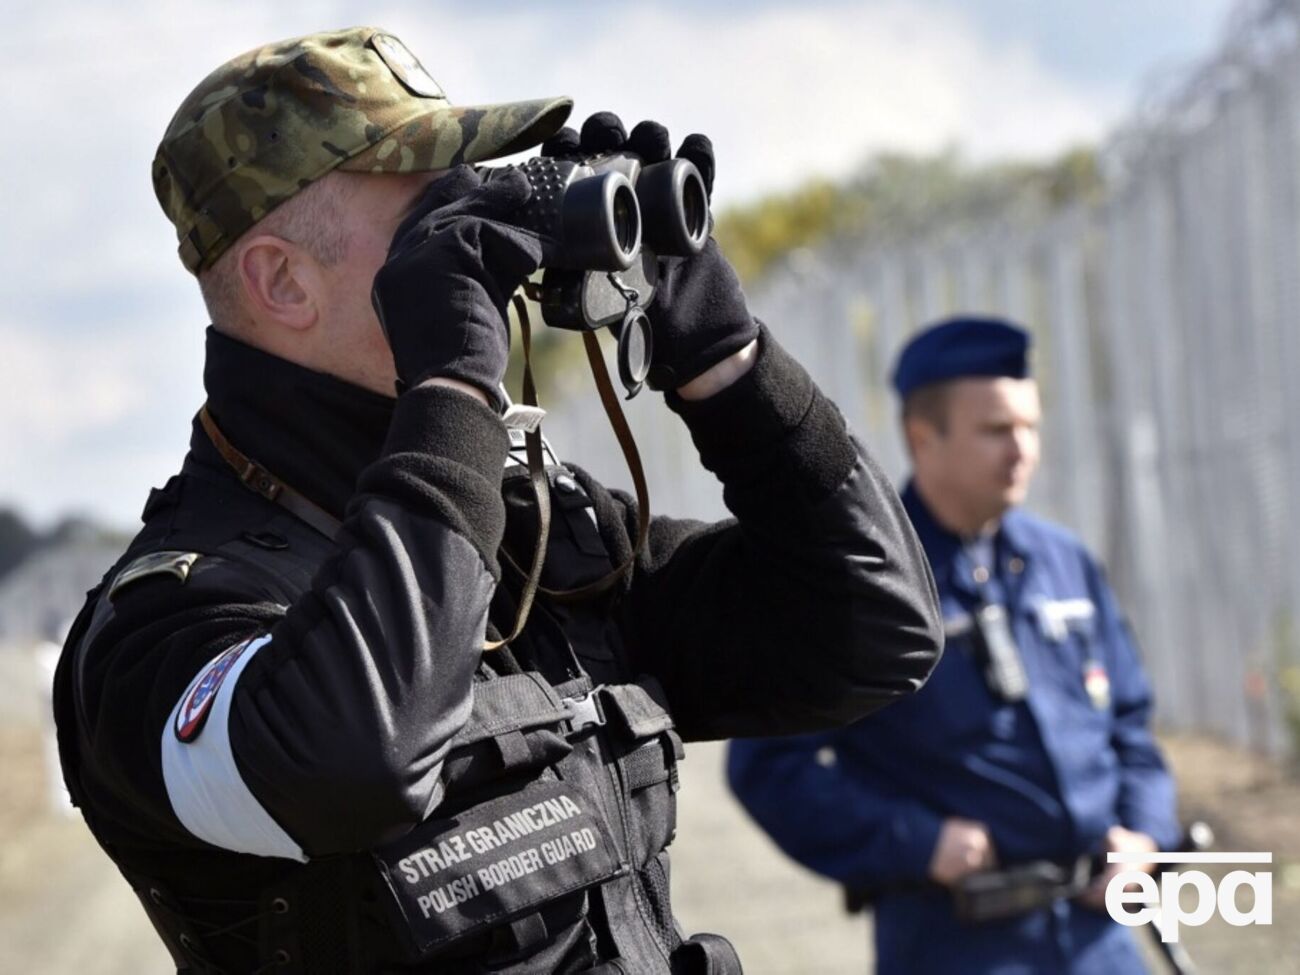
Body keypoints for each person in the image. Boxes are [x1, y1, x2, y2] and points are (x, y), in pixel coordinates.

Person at [51, 26, 944, 975]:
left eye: (473, 192)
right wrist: (450, 383)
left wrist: (727, 363)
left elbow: (871, 631)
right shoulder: (165, 624)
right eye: (431, 213)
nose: (480, 235)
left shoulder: (537, 537)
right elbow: (357, 757)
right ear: (282, 281)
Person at [728, 316, 1180, 974]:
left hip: (1098, 939)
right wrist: (918, 842)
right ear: (923, 437)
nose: (1022, 450)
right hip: (958, 943)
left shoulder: (1064, 562)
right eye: (997, 430)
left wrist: (1144, 835)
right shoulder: (862, 584)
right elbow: (770, 767)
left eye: (1030, 427)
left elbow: (1131, 726)